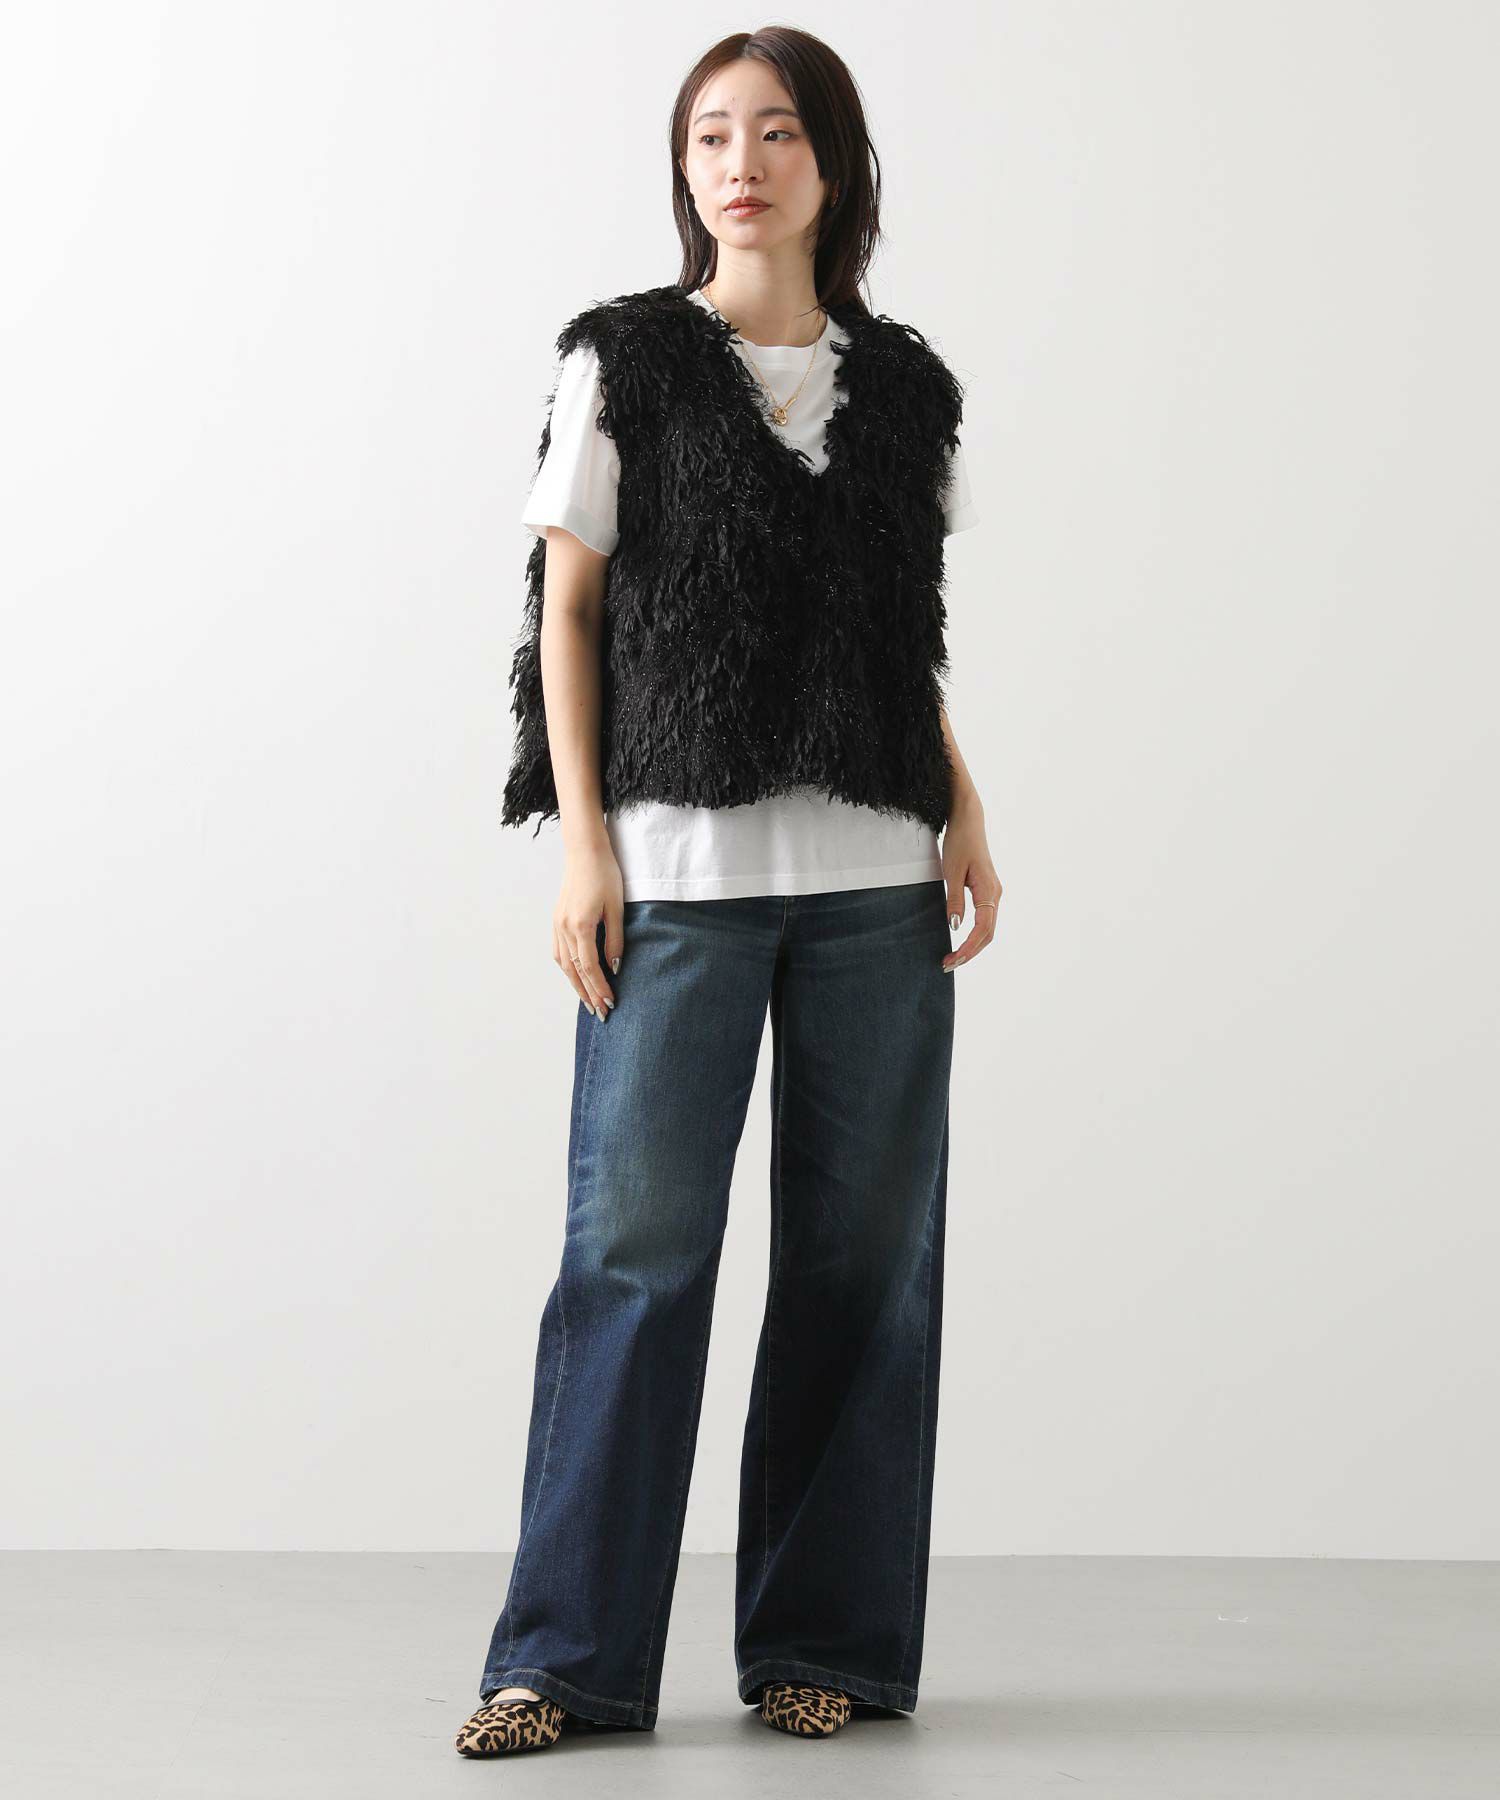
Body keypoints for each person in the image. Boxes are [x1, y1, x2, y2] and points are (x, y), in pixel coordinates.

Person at [456, 24, 1002, 1759]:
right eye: (710, 135)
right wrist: (587, 844)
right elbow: (566, 612)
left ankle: (821, 1647)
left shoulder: (903, 387)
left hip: (875, 884)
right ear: (683, 169)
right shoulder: (623, 360)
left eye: (774, 133)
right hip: (676, 880)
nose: (740, 164)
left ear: (833, 165)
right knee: (631, 1257)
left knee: (865, 1267)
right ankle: (563, 1662)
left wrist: (964, 809)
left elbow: (898, 639)